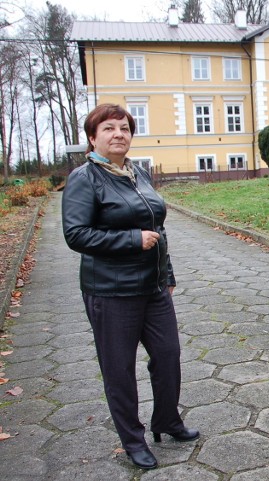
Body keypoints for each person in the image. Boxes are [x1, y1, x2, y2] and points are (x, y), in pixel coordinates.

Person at [62, 104, 199, 469]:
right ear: (93, 138)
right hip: (111, 292)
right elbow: (75, 234)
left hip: (153, 289)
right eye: (108, 128)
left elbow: (159, 228)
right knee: (119, 370)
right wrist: (131, 240)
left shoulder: (138, 173)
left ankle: (167, 420)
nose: (118, 133)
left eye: (124, 127)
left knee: (168, 356)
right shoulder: (84, 178)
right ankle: (133, 441)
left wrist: (166, 274)